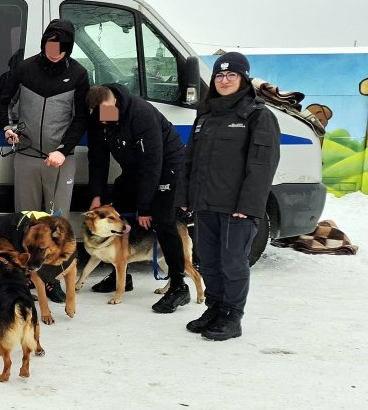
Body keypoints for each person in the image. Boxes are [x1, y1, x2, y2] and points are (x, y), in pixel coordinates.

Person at [180, 52, 280, 341]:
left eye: (231, 75)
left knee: (233, 262)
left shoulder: (259, 116)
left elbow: (262, 167)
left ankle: (233, 317)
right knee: (208, 260)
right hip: (205, 203)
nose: (224, 80)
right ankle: (215, 308)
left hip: (236, 207)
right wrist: (185, 196)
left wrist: (248, 207)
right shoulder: (206, 114)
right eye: (219, 76)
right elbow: (191, 160)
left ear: (243, 79)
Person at [0, 20, 89, 303]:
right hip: (25, 156)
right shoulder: (24, 69)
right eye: (51, 47)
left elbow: (82, 117)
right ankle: (23, 278)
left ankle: (52, 281)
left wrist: (64, 148)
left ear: (68, 48)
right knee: (25, 220)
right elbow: (4, 101)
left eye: (61, 49)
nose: (55, 53)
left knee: (56, 223)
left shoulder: (78, 74)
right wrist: (8, 127)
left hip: (60, 159)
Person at [86, 83, 191, 313]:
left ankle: (178, 285)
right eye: (98, 116)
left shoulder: (140, 113)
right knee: (118, 206)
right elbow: (98, 159)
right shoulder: (98, 116)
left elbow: (152, 164)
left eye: (106, 114)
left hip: (166, 167)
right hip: (135, 170)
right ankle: (121, 275)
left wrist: (144, 208)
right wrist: (96, 195)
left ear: (113, 101)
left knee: (163, 220)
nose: (103, 121)